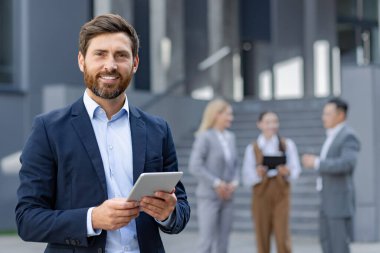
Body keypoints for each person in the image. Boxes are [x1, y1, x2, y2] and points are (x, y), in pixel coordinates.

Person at [15, 14, 190, 253]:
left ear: (135, 62)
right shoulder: (48, 129)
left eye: (121, 55)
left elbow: (181, 211)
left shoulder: (158, 129)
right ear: (81, 61)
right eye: (100, 54)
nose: (110, 65)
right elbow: (27, 220)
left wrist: (168, 214)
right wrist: (93, 219)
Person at [302, 98, 360, 253]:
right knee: (327, 244)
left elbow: (346, 164)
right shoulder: (332, 135)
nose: (323, 117)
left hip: (338, 203)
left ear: (340, 115)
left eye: (327, 113)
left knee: (339, 247)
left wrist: (316, 163)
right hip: (327, 200)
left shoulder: (348, 136)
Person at [241, 111, 301, 253]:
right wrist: (258, 173)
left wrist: (287, 172)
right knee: (262, 235)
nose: (272, 125)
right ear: (259, 124)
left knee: (283, 236)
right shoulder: (253, 148)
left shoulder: (287, 145)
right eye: (268, 122)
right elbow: (246, 176)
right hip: (261, 194)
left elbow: (296, 170)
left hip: (281, 193)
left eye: (275, 122)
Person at [188, 99, 239, 253]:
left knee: (223, 243)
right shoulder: (205, 137)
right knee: (207, 243)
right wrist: (217, 183)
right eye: (228, 114)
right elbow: (195, 166)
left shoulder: (231, 137)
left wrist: (234, 183)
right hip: (209, 196)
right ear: (217, 115)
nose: (231, 118)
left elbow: (235, 164)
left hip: (227, 196)